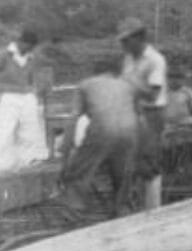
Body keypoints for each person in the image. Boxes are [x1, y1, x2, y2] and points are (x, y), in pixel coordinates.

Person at [59, 68, 144, 217]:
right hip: (129, 131)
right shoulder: (128, 85)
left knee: (77, 173)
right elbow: (140, 117)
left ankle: (74, 211)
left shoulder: (85, 84)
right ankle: (122, 211)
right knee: (123, 176)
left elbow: (74, 118)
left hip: (102, 130)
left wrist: (66, 149)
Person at [0, 29, 51, 170]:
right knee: (4, 132)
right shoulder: (4, 55)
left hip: (28, 97)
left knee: (31, 131)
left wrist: (37, 90)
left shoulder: (32, 56)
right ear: (20, 42)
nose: (29, 49)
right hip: (9, 96)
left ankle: (28, 162)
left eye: (32, 47)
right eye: (28, 46)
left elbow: (41, 72)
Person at [117, 17, 167, 210]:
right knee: (131, 162)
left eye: (126, 40)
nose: (123, 45)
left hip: (152, 113)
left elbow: (153, 95)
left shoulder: (155, 60)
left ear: (139, 38)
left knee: (149, 162)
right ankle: (136, 209)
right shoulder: (128, 59)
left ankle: (153, 210)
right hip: (133, 113)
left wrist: (131, 86)